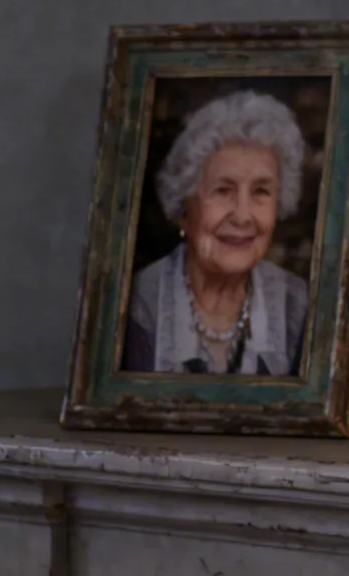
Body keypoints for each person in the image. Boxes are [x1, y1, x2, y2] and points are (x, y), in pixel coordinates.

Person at [124, 90, 311, 376]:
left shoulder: (299, 306)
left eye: (261, 191)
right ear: (183, 209)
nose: (242, 215)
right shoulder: (136, 307)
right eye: (223, 190)